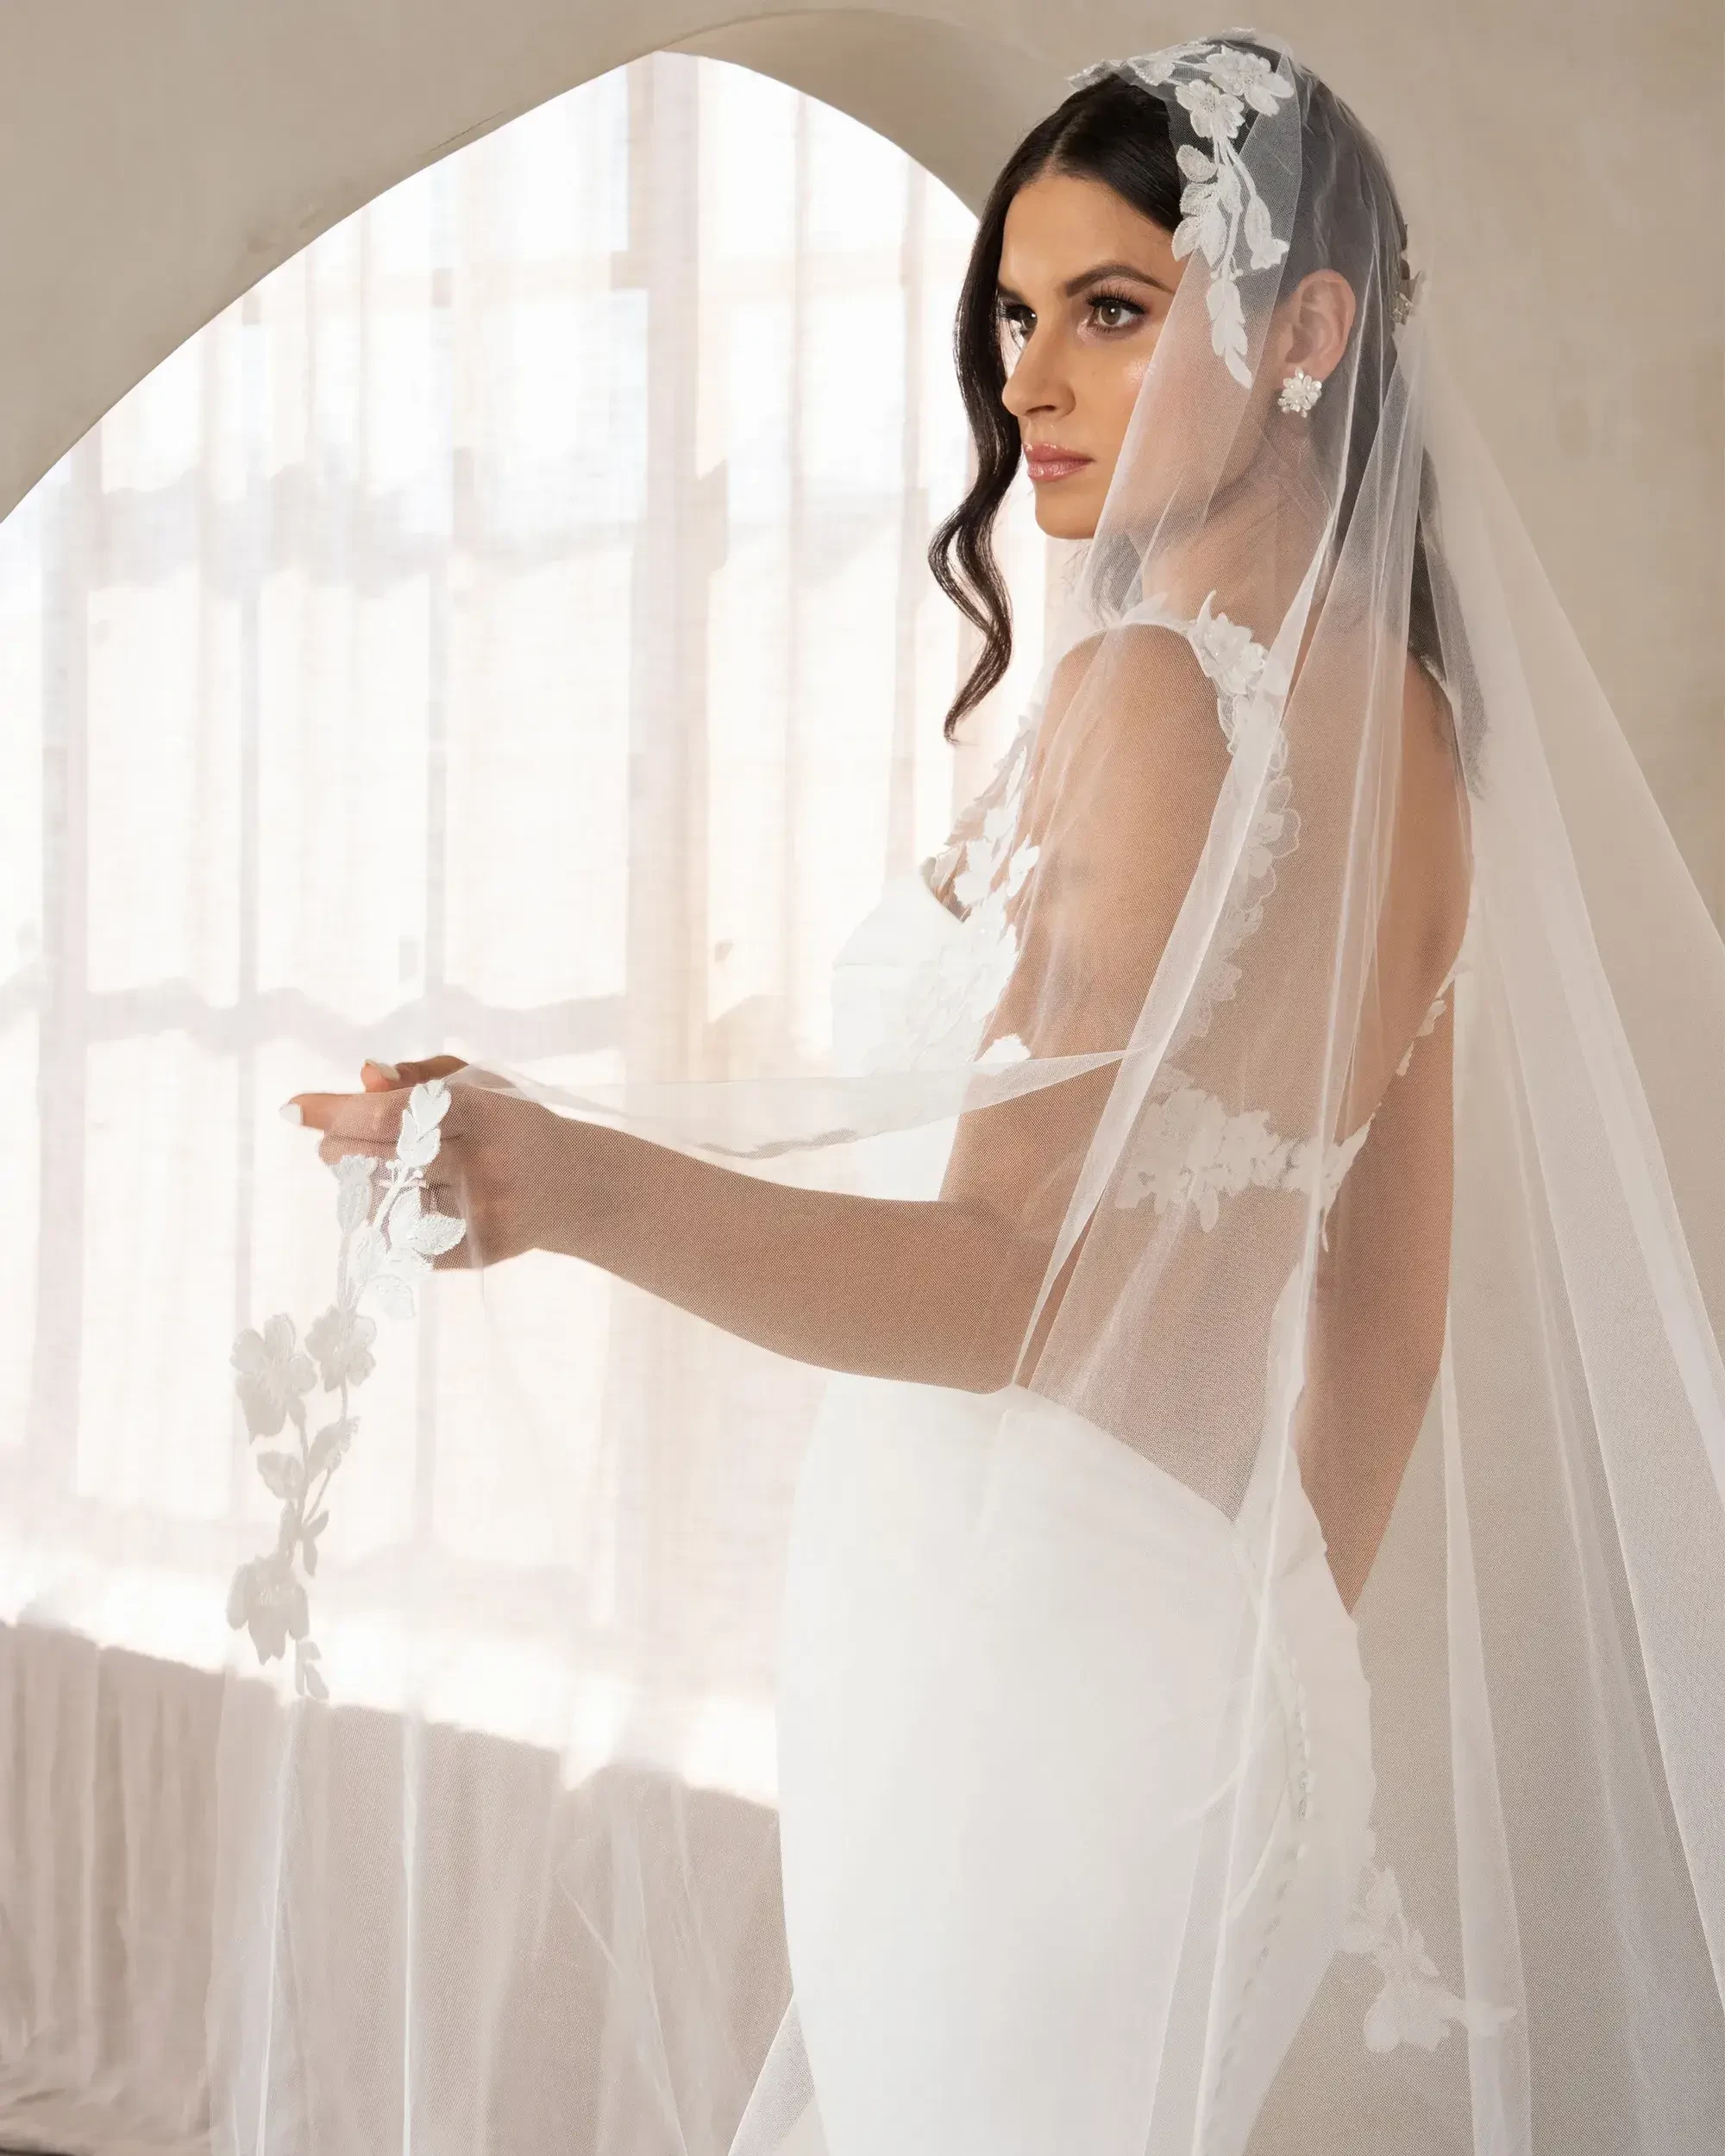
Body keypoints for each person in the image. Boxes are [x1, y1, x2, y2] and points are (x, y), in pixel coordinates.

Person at [267, 29, 1725, 2154]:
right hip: (1224, 1667)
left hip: (1024, 1665)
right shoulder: (1424, 743)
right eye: (1017, 319)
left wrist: (568, 1184)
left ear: (1308, 330)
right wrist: (1225, 1680)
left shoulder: (1154, 696)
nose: (1027, 379)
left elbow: (1013, 1288)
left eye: (1114, 312)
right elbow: (1381, 1336)